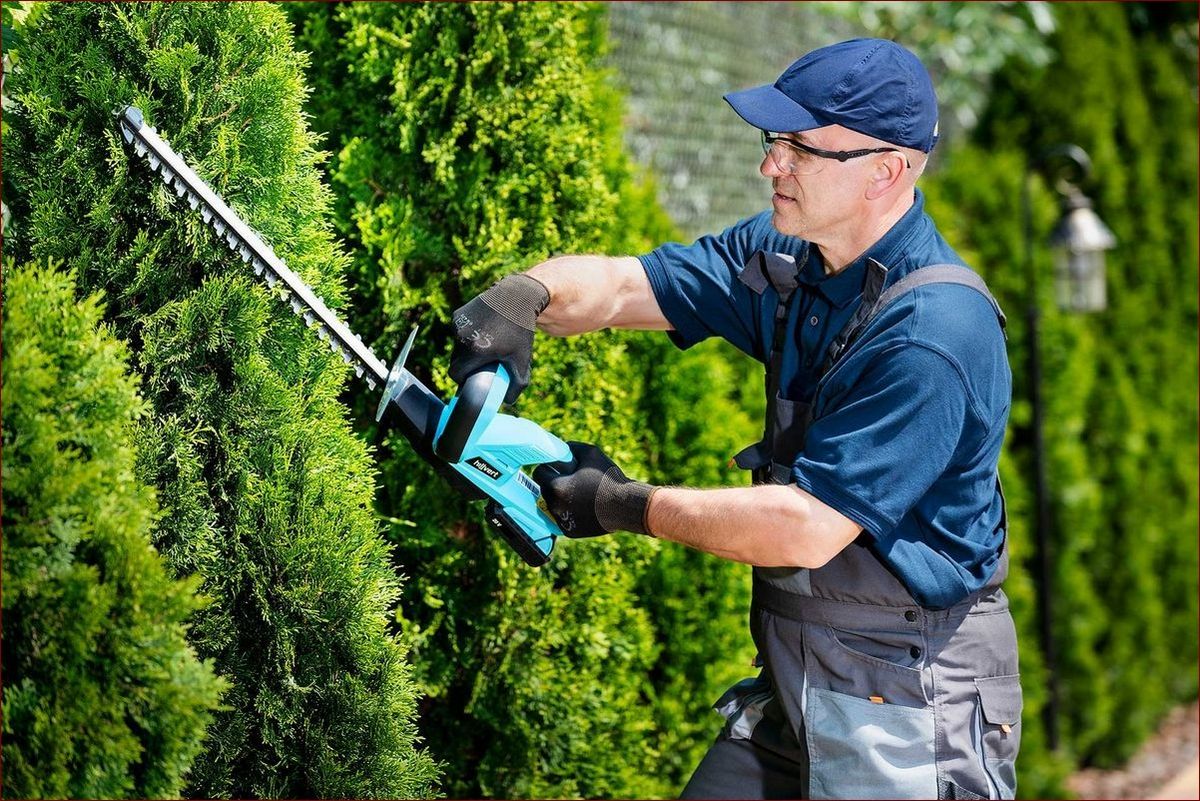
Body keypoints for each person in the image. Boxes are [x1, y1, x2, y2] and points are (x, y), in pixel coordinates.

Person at [449, 38, 1020, 800]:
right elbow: (629, 287)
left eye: (799, 150)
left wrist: (619, 502)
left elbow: (806, 527)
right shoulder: (790, 258)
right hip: (796, 683)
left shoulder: (934, 331)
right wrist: (522, 299)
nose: (769, 166)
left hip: (911, 701)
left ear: (886, 170)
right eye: (772, 141)